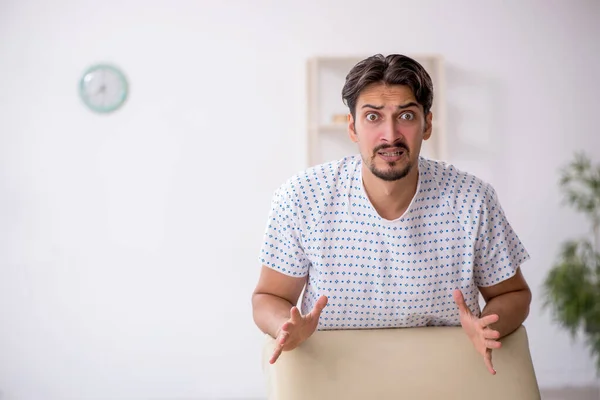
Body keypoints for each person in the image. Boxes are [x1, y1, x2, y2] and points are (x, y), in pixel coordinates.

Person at [251, 53, 532, 375]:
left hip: (446, 370)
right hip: (334, 371)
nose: (390, 135)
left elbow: (513, 294)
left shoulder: (472, 200)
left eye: (407, 116)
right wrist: (285, 326)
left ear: (427, 124)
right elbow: (268, 296)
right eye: (373, 117)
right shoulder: (302, 198)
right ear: (352, 127)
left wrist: (488, 326)